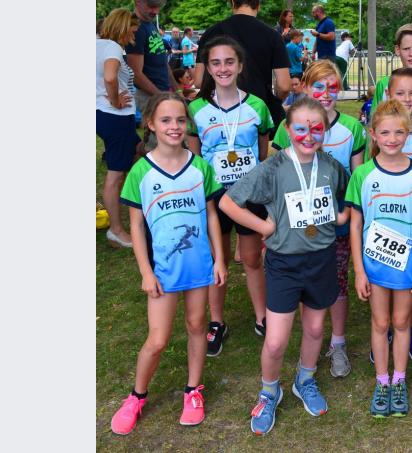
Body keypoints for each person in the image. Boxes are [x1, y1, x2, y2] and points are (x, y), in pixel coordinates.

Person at [220, 97, 349, 435]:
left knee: (315, 329)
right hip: (284, 264)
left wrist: (341, 216)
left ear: (325, 130)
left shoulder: (332, 167)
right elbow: (228, 202)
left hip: (321, 259)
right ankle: (269, 390)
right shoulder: (273, 167)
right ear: (289, 129)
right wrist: (263, 227)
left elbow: (346, 199)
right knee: (276, 341)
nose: (309, 135)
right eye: (302, 128)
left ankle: (304, 380)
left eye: (317, 128)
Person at [110, 92, 227, 435]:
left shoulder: (200, 166)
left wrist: (219, 259)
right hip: (162, 271)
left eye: (180, 120)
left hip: (198, 267)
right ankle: (137, 396)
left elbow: (210, 215)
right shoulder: (141, 171)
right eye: (165, 120)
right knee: (158, 339)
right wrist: (146, 272)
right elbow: (135, 225)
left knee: (197, 328)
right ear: (150, 124)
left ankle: (193, 391)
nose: (174, 127)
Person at [272, 60, 367, 378]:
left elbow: (357, 178)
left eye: (333, 87)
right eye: (319, 86)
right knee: (304, 282)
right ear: (304, 87)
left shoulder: (351, 128)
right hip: (297, 226)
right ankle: (311, 338)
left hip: (335, 224)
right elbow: (274, 176)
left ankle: (337, 343)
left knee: (338, 280)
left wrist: (350, 216)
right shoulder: (291, 124)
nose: (326, 94)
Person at [346, 99, 412, 417]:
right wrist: (358, 270)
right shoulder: (363, 176)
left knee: (401, 322)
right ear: (373, 134)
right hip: (375, 267)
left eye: (399, 132)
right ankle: (381, 381)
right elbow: (356, 224)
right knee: (380, 322)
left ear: (409, 132)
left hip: (408, 267)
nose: (392, 139)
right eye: (385, 132)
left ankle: (399, 380)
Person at [186, 36, 273, 357]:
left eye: (229, 62)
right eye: (216, 63)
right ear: (208, 68)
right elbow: (195, 160)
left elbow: (263, 153)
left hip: (249, 195)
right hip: (214, 197)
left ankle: (262, 315)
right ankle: (217, 322)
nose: (223, 68)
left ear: (240, 66)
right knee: (216, 261)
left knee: (251, 258)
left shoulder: (257, 106)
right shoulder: (196, 109)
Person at [195, 0, 291, 140]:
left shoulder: (211, 33)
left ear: (232, 2)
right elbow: (284, 85)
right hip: (259, 112)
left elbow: (198, 81)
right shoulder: (272, 35)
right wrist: (272, 100)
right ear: (258, 4)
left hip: (218, 115)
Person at [97, 8, 141, 249]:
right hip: (115, 115)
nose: (133, 36)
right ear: (123, 27)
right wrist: (114, 100)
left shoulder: (96, 44)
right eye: (132, 31)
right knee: (115, 174)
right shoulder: (112, 47)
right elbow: (111, 77)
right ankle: (116, 230)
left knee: (137, 149)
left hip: (106, 116)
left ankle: (139, 200)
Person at [127, 0, 174, 149]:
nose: (155, 11)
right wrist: (160, 96)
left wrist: (176, 87)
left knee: (162, 141)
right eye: (151, 6)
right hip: (150, 95)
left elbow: (162, 61)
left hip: (161, 92)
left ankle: (135, 158)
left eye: (158, 7)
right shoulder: (135, 28)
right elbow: (136, 74)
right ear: (137, 2)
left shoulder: (150, 25)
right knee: (158, 146)